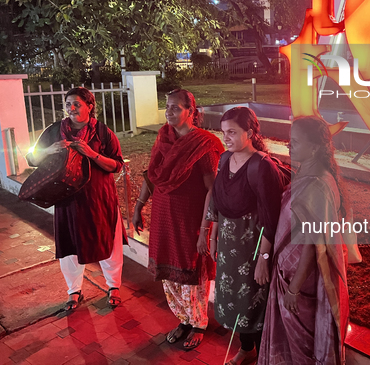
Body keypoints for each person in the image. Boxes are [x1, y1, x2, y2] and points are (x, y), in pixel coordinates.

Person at [133, 89, 224, 350]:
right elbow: (152, 175)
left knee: (191, 269)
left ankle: (199, 323)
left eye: (175, 107)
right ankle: (184, 319)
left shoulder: (205, 144)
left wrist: (206, 229)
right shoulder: (164, 138)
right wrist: (139, 205)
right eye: (167, 107)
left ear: (191, 112)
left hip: (190, 218)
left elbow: (212, 190)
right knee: (169, 270)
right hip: (163, 216)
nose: (169, 112)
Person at [259, 116, 350, 365]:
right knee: (291, 342)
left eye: (295, 141)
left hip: (302, 281)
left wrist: (294, 287)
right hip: (288, 273)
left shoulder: (318, 184)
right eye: (290, 140)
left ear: (314, 148)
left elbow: (315, 244)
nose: (290, 145)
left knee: (302, 348)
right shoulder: (306, 175)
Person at [26, 87, 126, 311]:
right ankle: (74, 290)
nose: (71, 109)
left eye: (76, 104)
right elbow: (32, 158)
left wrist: (92, 154)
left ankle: (114, 286)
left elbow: (117, 165)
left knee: (107, 240)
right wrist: (48, 150)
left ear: (90, 106)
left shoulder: (102, 132)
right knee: (69, 244)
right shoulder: (54, 131)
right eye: (68, 104)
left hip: (99, 197)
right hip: (67, 198)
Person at [201, 107, 284, 365]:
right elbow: (218, 201)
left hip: (252, 249)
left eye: (232, 132)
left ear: (249, 132)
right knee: (234, 300)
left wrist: (264, 259)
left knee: (253, 303)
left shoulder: (262, 166)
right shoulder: (225, 159)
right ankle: (246, 348)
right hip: (228, 247)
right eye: (223, 132)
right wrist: (213, 237)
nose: (226, 138)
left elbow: (272, 218)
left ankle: (263, 355)